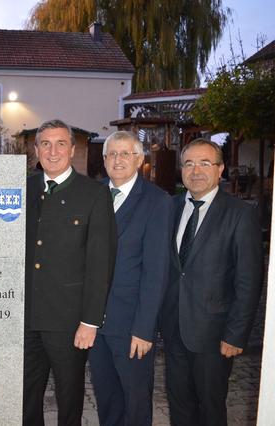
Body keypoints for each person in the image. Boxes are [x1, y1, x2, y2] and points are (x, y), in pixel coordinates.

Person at [161, 138, 262, 426]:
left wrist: (235, 335)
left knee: (210, 407)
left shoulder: (240, 214)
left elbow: (249, 280)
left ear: (221, 170)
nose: (196, 171)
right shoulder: (169, 208)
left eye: (205, 163)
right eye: (189, 163)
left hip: (214, 334)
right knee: (179, 403)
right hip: (173, 328)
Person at [23, 119, 117, 425]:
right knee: (25, 398)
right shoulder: (19, 190)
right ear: (35, 149)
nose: (53, 151)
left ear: (73, 149)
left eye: (61, 143)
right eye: (45, 144)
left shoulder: (94, 194)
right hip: (25, 318)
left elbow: (100, 263)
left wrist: (90, 321)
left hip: (68, 321)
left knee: (69, 397)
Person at [88, 131, 171, 426]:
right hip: (93, 323)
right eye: (112, 154)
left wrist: (145, 328)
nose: (118, 160)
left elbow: (156, 271)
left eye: (126, 154)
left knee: (135, 403)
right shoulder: (92, 194)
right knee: (107, 399)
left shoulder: (157, 201)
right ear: (104, 159)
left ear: (139, 159)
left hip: (131, 325)